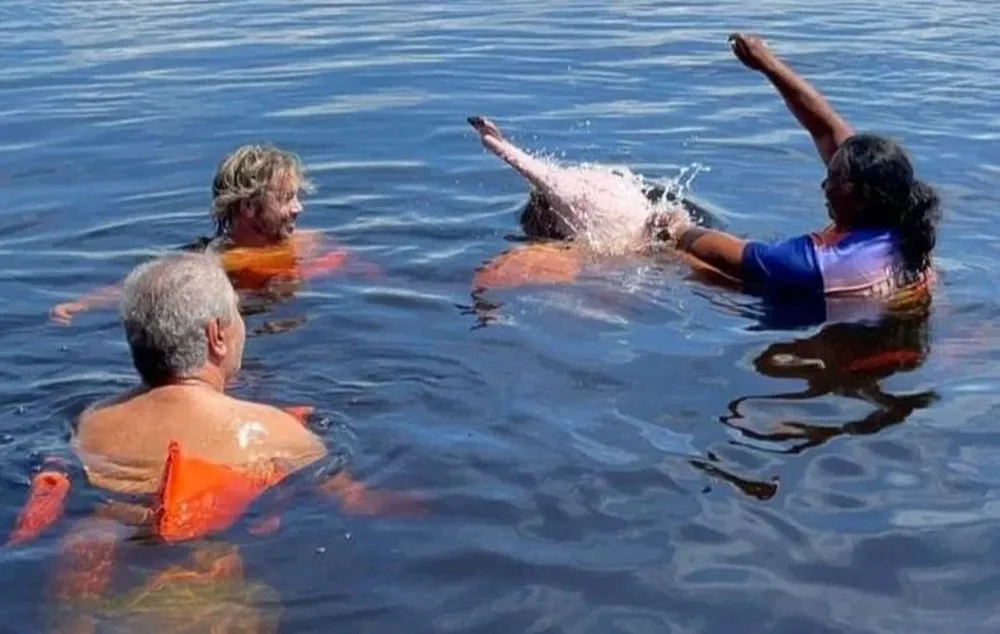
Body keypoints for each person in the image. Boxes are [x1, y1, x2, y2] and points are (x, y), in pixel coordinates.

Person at [12, 253, 419, 631]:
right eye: (237, 313)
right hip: (202, 594)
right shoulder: (274, 432)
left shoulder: (91, 422)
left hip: (100, 580)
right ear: (216, 336)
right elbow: (358, 502)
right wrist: (428, 503)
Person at [658, 33, 941, 309]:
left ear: (858, 196)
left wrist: (672, 224)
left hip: (835, 326)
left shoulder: (815, 264)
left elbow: (712, 250)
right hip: (897, 322)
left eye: (832, 179)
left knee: (690, 266)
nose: (824, 186)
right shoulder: (904, 221)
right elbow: (826, 128)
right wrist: (768, 64)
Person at [50, 144, 365, 325]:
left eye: (297, 197)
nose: (298, 208)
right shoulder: (211, 262)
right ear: (248, 207)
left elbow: (367, 274)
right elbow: (145, 285)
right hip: (245, 332)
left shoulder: (312, 242)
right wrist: (81, 305)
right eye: (286, 199)